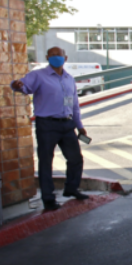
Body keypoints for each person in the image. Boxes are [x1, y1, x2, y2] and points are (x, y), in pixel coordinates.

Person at [11, 47, 90, 211]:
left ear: (65, 57)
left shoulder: (69, 79)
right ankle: (48, 198)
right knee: (46, 161)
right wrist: (17, 85)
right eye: (52, 55)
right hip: (47, 124)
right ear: (47, 57)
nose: (56, 58)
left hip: (67, 125)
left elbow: (74, 105)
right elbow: (24, 86)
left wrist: (80, 126)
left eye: (58, 55)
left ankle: (71, 188)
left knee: (75, 158)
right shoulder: (38, 75)